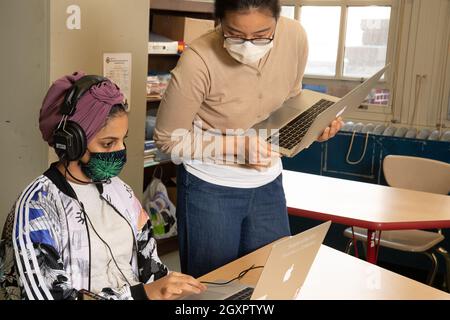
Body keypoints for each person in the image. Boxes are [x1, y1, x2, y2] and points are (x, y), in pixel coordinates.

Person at [154, 0, 343, 278]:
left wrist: (314, 127)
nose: (248, 44)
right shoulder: (199, 58)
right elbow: (167, 140)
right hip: (210, 186)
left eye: (261, 35)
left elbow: (290, 99)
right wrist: (236, 146)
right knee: (213, 288)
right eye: (235, 34)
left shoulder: (295, 37)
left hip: (268, 183)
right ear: (219, 23)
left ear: (278, 20)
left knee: (272, 282)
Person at [0, 72, 206, 300]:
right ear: (72, 143)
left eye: (122, 140)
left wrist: (174, 288)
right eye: (108, 143)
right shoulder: (36, 208)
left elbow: (151, 270)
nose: (120, 150)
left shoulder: (123, 193)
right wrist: (141, 296)